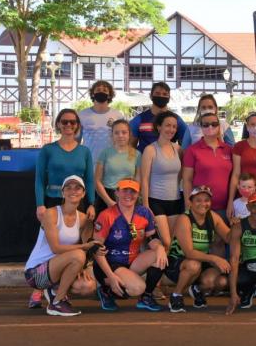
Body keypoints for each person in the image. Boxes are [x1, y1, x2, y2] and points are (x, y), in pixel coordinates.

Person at [31, 108, 97, 309]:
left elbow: (90, 180)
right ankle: (38, 288)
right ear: (58, 124)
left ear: (77, 126)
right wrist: (40, 204)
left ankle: (59, 289)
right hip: (52, 201)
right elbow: (39, 179)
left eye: (73, 122)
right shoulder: (48, 149)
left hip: (78, 203)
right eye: (65, 122)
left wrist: (92, 203)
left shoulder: (84, 151)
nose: (69, 125)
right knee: (49, 246)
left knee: (72, 243)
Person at [24, 175, 99, 316]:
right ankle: (57, 303)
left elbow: (85, 247)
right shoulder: (50, 214)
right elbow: (56, 248)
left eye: (78, 188)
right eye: (68, 188)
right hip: (35, 273)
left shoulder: (83, 219)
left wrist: (80, 266)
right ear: (62, 193)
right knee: (78, 255)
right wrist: (83, 250)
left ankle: (53, 289)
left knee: (87, 286)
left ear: (83, 194)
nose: (73, 191)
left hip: (59, 269)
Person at [93, 178, 168, 312]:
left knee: (160, 255)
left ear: (138, 194)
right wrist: (111, 276)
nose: (129, 195)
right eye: (125, 191)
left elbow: (152, 238)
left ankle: (146, 297)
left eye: (133, 191)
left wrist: (160, 248)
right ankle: (106, 290)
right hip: (109, 264)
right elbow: (96, 250)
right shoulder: (106, 215)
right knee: (137, 288)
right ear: (117, 193)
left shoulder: (144, 213)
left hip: (132, 262)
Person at [165, 186, 232, 313]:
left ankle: (196, 289)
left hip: (200, 261)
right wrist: (215, 258)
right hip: (177, 262)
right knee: (193, 265)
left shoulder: (213, 216)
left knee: (212, 281)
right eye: (198, 200)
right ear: (190, 202)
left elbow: (229, 238)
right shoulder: (184, 219)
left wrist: (239, 226)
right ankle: (176, 295)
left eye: (206, 200)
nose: (203, 203)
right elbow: (189, 252)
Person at [140, 111, 183, 249]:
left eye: (174, 127)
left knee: (172, 242)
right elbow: (144, 179)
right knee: (166, 241)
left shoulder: (178, 149)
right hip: (156, 201)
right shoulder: (150, 150)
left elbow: (181, 175)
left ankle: (166, 269)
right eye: (167, 125)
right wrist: (146, 206)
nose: (171, 129)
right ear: (159, 127)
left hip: (175, 201)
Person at [182, 111, 233, 221]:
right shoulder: (192, 150)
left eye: (214, 124)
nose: (210, 127)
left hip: (225, 208)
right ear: (201, 127)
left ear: (219, 126)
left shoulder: (229, 150)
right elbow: (187, 179)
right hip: (200, 208)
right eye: (206, 125)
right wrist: (188, 203)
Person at [94, 119, 141, 212]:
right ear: (112, 135)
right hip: (107, 196)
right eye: (116, 133)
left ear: (129, 134)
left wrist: (131, 198)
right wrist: (109, 202)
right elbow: (97, 180)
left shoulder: (137, 154)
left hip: (128, 196)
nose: (120, 136)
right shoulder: (105, 153)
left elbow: (138, 180)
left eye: (124, 132)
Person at [130, 81, 188, 152]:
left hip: (168, 161)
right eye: (157, 93)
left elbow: (185, 143)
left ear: (169, 97)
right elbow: (131, 146)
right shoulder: (139, 119)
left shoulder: (177, 120)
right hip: (143, 161)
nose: (161, 96)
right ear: (151, 96)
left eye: (165, 94)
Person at [78, 80, 124, 164]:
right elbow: (76, 141)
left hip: (112, 162)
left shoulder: (118, 115)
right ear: (92, 94)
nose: (101, 92)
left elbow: (123, 141)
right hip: (89, 162)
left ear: (109, 95)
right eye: (98, 90)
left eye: (105, 90)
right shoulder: (82, 115)